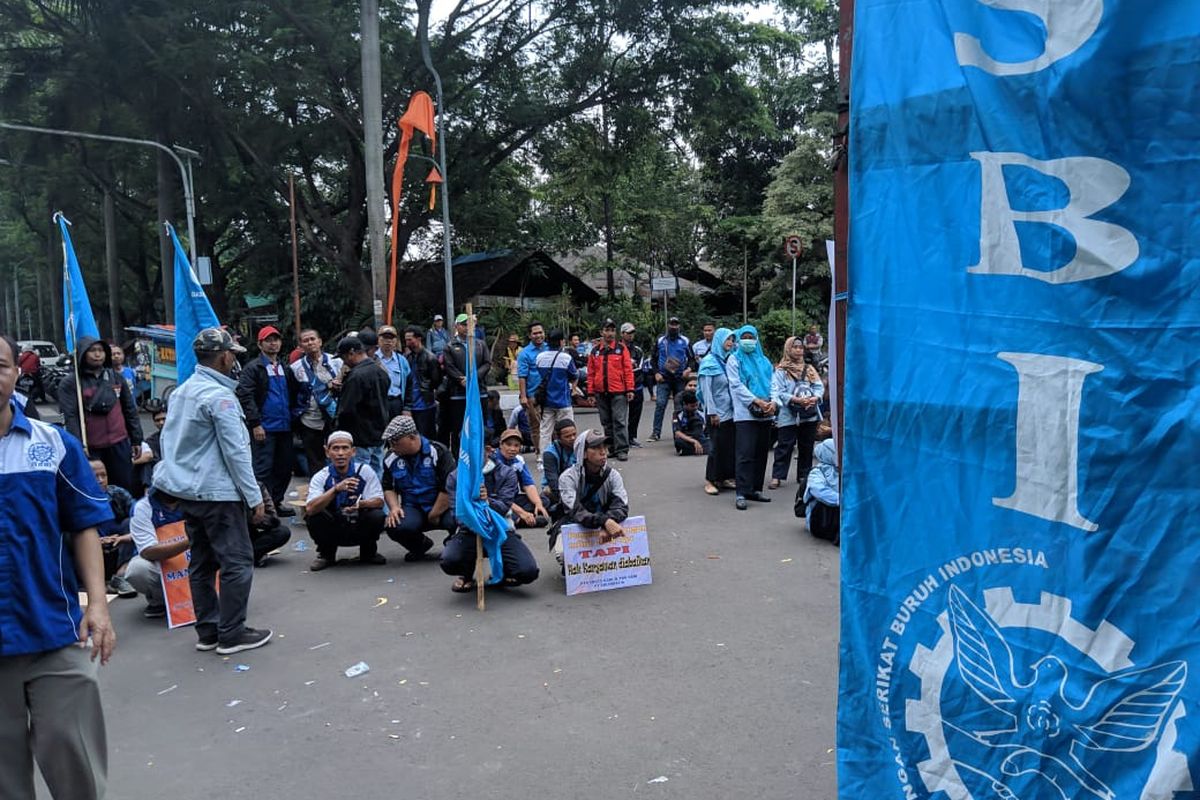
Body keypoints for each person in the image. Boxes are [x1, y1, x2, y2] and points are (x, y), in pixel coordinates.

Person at [0, 332, 116, 800]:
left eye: (0, 365)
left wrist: (99, 608)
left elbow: (83, 525)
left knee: (76, 763)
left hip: (56, 633)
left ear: (15, 373)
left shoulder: (52, 444)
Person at [153, 327, 272, 655]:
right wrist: (254, 496)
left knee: (202, 563)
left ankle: (208, 631)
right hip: (218, 495)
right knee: (236, 561)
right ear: (224, 357)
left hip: (190, 492)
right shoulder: (219, 397)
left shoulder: (182, 392)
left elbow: (169, 442)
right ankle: (231, 633)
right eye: (233, 354)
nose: (234, 359)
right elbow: (236, 453)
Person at [440, 443, 540, 593]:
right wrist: (472, 506)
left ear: (488, 450)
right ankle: (466, 574)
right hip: (470, 530)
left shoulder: (506, 473)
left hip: (500, 529)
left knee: (528, 571)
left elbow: (504, 507)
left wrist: (486, 502)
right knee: (450, 560)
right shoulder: (456, 477)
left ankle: (504, 573)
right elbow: (457, 514)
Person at [58, 336, 144, 492]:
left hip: (119, 444)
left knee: (124, 487)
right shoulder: (71, 383)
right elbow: (70, 417)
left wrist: (136, 439)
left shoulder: (116, 378)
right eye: (92, 351)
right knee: (93, 488)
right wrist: (78, 445)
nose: (98, 354)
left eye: (101, 351)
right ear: (83, 353)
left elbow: (129, 409)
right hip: (91, 448)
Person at [237, 326, 304, 514]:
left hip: (285, 426)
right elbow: (245, 395)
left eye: (276, 339)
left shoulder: (285, 368)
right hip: (264, 428)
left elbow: (294, 392)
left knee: (284, 467)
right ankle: (262, 506)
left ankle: (276, 501)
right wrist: (255, 423)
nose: (273, 343)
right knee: (263, 468)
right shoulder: (253, 368)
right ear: (260, 344)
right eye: (268, 340)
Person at [304, 431, 387, 571]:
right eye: (335, 449)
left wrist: (361, 504)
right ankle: (326, 554)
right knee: (314, 516)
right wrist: (335, 490)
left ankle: (369, 552)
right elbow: (310, 508)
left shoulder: (364, 471)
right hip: (334, 524)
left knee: (377, 515)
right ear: (327, 452)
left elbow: (379, 501)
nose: (340, 453)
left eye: (345, 448)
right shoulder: (321, 476)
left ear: (353, 451)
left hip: (358, 522)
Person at [551, 429, 630, 569]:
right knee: (564, 555)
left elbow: (621, 506)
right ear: (583, 452)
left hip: (606, 524)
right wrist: (604, 521)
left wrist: (607, 523)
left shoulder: (613, 475)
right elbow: (576, 511)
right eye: (596, 447)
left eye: (604, 447)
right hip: (576, 524)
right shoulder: (567, 478)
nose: (603, 451)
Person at [381, 415, 456, 561]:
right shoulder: (391, 457)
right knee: (395, 525)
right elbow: (388, 487)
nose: (392, 446)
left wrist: (434, 514)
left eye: (396, 442)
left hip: (442, 505)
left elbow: (449, 487)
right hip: (413, 505)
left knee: (459, 519)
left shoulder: (438, 452)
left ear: (412, 438)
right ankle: (419, 546)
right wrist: (394, 507)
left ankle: (453, 546)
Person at [726, 325, 776, 511]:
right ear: (739, 339)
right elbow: (736, 385)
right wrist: (756, 401)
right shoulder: (734, 359)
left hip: (765, 413)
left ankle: (755, 489)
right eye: (745, 337)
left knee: (761, 453)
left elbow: (774, 384)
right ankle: (741, 491)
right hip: (745, 414)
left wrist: (773, 402)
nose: (748, 340)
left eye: (751, 337)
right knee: (745, 453)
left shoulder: (765, 362)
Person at [124, 488, 189, 619]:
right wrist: (189, 541)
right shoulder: (143, 507)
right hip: (162, 562)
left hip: (197, 557)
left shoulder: (193, 496)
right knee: (137, 570)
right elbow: (148, 552)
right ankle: (160, 600)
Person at [770, 336, 824, 491]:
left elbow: (818, 386)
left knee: (806, 445)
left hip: (809, 412)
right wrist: (794, 399)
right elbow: (777, 390)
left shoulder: (809, 369)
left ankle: (804, 475)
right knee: (784, 445)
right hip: (789, 413)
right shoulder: (781, 370)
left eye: (801, 347)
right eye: (795, 347)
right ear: (788, 349)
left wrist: (815, 397)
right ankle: (777, 476)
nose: (798, 350)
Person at [334, 335, 390, 476]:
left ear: (352, 353)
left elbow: (346, 410)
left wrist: (338, 431)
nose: (344, 362)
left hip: (360, 438)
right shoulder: (381, 372)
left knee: (360, 478)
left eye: (344, 357)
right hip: (379, 434)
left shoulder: (356, 376)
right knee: (377, 477)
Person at [291, 329, 343, 477]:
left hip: (335, 417)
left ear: (320, 342)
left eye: (313, 339)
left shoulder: (336, 362)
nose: (310, 342)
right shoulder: (296, 369)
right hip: (310, 420)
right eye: (305, 340)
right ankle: (319, 493)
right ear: (301, 346)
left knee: (339, 455)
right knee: (315, 460)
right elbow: (294, 394)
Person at [440, 313, 491, 453]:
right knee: (459, 429)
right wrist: (461, 379)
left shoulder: (480, 344)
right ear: (457, 326)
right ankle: (459, 459)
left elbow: (487, 363)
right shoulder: (450, 346)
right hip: (458, 394)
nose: (467, 327)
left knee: (479, 426)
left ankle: (480, 455)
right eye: (463, 324)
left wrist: (474, 378)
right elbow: (449, 366)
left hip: (479, 391)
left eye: (469, 324)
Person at [587, 319, 635, 461]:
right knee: (606, 422)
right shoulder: (595, 351)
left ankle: (622, 449)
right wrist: (590, 392)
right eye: (607, 330)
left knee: (619, 421)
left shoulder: (621, 349)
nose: (610, 333)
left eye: (612, 330)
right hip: (601, 392)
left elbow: (628, 370)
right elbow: (591, 373)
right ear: (601, 332)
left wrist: (630, 389)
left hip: (619, 391)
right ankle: (611, 448)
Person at [89, 459, 137, 598]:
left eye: (103, 475)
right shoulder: (77, 499)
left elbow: (140, 515)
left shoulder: (117, 493)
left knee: (130, 522)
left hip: (120, 548)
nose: (100, 480)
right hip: (93, 552)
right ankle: (95, 582)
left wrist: (122, 538)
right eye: (95, 477)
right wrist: (94, 541)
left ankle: (120, 576)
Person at [698, 327, 736, 495]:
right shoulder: (709, 362)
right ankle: (710, 480)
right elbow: (706, 391)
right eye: (728, 339)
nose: (731, 343)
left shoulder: (728, 360)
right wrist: (712, 412)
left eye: (732, 340)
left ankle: (724, 477)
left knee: (728, 446)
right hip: (716, 413)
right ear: (719, 340)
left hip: (730, 411)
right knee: (715, 447)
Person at [533, 330, 577, 457]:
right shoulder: (566, 358)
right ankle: (568, 455)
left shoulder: (540, 357)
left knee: (545, 431)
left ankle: (543, 457)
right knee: (568, 430)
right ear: (561, 342)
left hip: (546, 401)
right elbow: (573, 375)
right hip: (563, 401)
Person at [494, 428, 550, 527]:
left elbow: (528, 485)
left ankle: (526, 517)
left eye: (516, 445)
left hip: (513, 499)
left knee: (544, 501)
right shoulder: (493, 462)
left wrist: (538, 504)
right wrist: (521, 512)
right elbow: (499, 496)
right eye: (508, 444)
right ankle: (520, 520)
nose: (512, 449)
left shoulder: (518, 460)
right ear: (500, 445)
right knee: (497, 508)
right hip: (497, 500)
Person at [650, 316, 690, 441]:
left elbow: (693, 359)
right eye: (672, 324)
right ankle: (656, 433)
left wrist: (688, 369)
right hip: (664, 378)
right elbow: (653, 359)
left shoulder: (685, 341)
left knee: (680, 406)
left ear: (679, 326)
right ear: (668, 325)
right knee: (660, 404)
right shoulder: (661, 341)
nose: (674, 326)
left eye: (676, 324)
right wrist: (656, 373)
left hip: (679, 378)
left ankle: (681, 431)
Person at [404, 325, 442, 440]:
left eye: (410, 339)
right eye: (406, 340)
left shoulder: (430, 358)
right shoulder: (408, 357)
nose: (407, 342)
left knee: (426, 436)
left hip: (425, 403)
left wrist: (428, 389)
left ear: (418, 339)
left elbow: (436, 380)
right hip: (411, 404)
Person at [516, 321, 548, 454]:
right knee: (536, 427)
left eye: (540, 332)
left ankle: (553, 452)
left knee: (552, 425)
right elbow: (522, 376)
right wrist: (523, 396)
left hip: (550, 393)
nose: (538, 335)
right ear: (530, 336)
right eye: (535, 333)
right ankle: (539, 453)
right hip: (532, 395)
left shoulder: (550, 348)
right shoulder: (524, 353)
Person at [801, 439, 840, 544]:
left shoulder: (846, 469)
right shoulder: (817, 472)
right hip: (821, 517)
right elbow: (819, 491)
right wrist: (842, 500)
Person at [249, 481, 292, 566]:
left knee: (282, 532)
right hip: (230, 535)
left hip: (249, 531)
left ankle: (248, 555)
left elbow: (274, 519)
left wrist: (257, 517)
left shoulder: (258, 487)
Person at [376, 324, 414, 419]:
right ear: (378, 340)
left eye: (391, 338)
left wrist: (407, 408)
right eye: (385, 337)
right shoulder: (372, 359)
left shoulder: (402, 361)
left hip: (397, 403)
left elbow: (409, 385)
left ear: (396, 341)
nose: (388, 341)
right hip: (378, 404)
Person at [541, 417, 577, 513]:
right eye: (568, 436)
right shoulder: (549, 453)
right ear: (558, 437)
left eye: (574, 434)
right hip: (555, 488)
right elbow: (553, 480)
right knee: (547, 495)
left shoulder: (580, 449)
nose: (572, 438)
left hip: (576, 484)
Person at [620, 323, 647, 447]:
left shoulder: (638, 350)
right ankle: (620, 439)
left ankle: (631, 437)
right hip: (620, 387)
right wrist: (628, 366)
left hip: (637, 386)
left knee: (635, 414)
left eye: (632, 333)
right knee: (619, 416)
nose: (630, 335)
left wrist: (627, 367)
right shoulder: (617, 349)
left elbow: (640, 367)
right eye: (628, 333)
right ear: (622, 334)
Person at [134, 405, 167, 493]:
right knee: (146, 464)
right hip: (158, 471)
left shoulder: (180, 437)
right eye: (157, 420)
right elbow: (148, 456)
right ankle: (147, 493)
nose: (161, 423)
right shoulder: (151, 440)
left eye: (164, 419)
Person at [672, 390, 709, 457]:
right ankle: (698, 449)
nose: (695, 408)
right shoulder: (678, 414)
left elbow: (705, 426)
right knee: (678, 441)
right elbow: (677, 432)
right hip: (687, 438)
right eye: (692, 406)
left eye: (696, 405)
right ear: (685, 404)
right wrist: (694, 441)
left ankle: (690, 451)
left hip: (701, 437)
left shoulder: (701, 412)